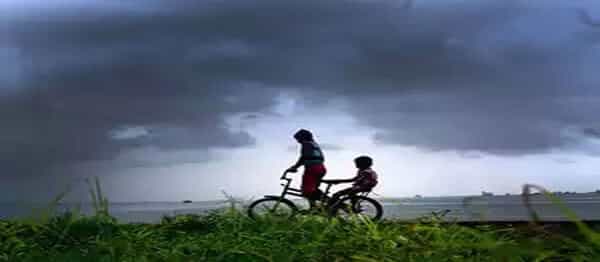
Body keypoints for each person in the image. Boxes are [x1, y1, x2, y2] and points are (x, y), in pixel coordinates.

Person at [286, 129, 327, 208]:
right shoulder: (314, 144)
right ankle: (315, 206)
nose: (298, 141)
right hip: (320, 168)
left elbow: (303, 158)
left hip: (312, 169)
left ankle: (319, 206)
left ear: (303, 137)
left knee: (307, 191)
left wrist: (294, 167)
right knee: (312, 190)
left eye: (298, 139)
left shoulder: (306, 144)